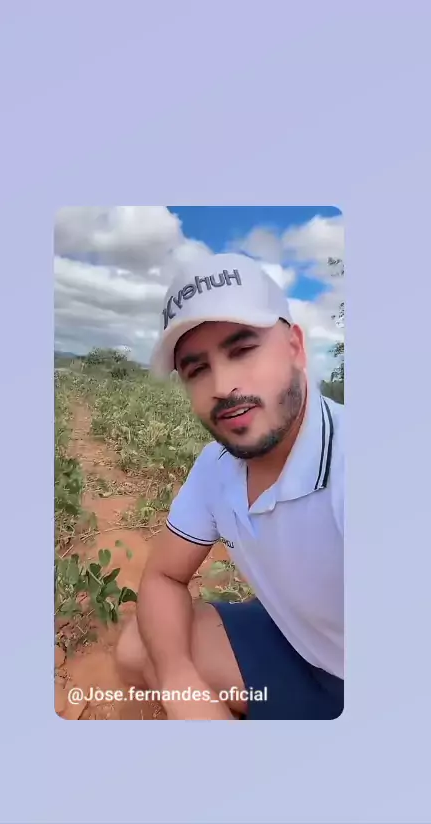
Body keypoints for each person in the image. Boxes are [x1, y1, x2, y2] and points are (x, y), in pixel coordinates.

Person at [115, 253, 344, 720]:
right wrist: (179, 682)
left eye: (242, 350)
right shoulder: (216, 466)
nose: (222, 385)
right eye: (197, 369)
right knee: (140, 647)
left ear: (296, 348)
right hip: (299, 645)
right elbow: (162, 577)